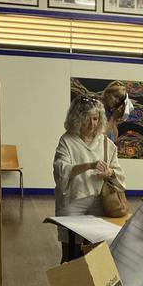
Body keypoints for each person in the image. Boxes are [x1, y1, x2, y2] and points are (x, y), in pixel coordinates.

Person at [53, 95, 126, 262]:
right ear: (77, 119)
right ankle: (68, 285)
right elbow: (61, 170)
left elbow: (119, 174)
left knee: (95, 253)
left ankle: (90, 284)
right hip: (72, 202)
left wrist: (109, 173)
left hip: (99, 202)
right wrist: (88, 165)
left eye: (95, 119)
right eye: (87, 119)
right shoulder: (67, 141)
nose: (92, 124)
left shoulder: (106, 143)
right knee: (70, 253)